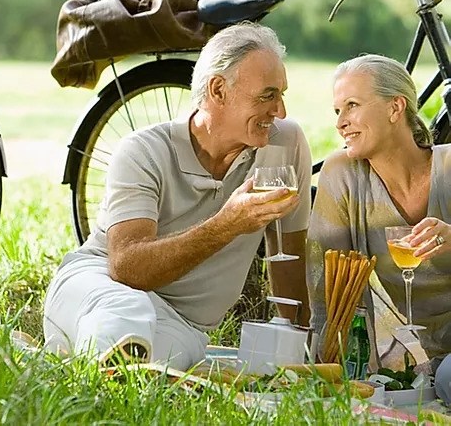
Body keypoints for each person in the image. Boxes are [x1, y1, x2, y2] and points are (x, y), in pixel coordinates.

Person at [44, 22, 312, 370]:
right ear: (218, 90)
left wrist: (303, 345)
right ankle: (88, 363)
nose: (280, 111)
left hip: (183, 323)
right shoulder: (143, 151)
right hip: (99, 286)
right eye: (267, 95)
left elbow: (289, 255)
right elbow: (127, 269)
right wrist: (226, 225)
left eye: (281, 95)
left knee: (159, 362)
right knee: (127, 312)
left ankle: (70, 362)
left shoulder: (284, 143)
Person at [306, 54, 451, 404]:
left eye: (352, 106)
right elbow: (323, 286)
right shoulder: (343, 174)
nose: (341, 123)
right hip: (395, 363)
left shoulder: (448, 168)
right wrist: (323, 365)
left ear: (395, 108)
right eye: (337, 111)